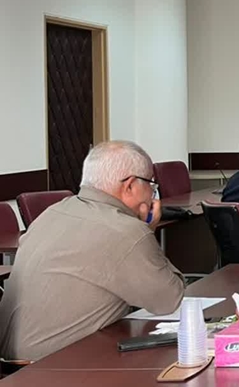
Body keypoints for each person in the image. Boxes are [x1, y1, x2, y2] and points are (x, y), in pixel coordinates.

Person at [0, 141, 184, 362]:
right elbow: (169, 300)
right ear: (130, 186)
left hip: (11, 365)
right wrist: (146, 231)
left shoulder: (52, 212)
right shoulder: (125, 231)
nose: (153, 196)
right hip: (58, 367)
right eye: (151, 186)